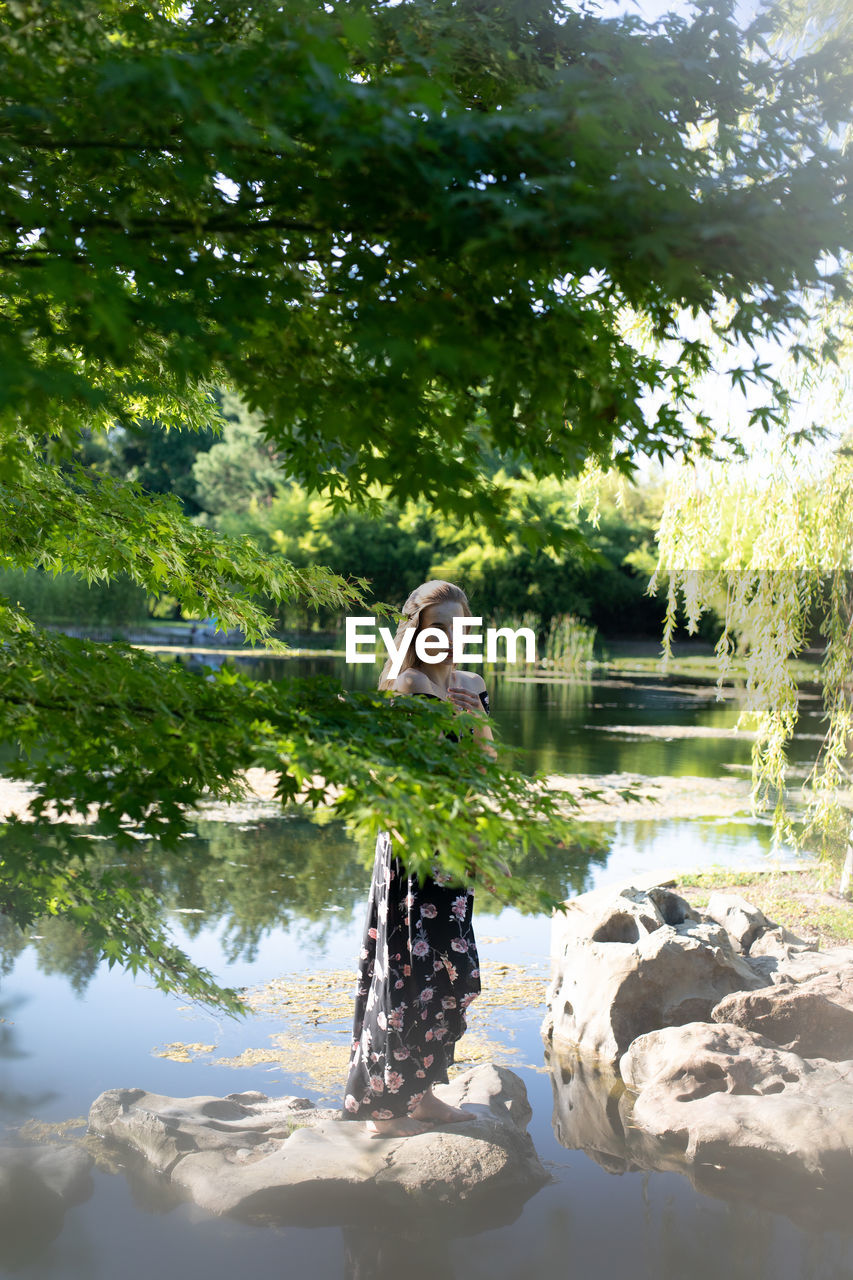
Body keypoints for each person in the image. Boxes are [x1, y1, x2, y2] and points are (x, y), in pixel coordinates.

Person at [341, 580, 497, 1138]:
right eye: (437, 631)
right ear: (418, 634)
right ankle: (387, 1109)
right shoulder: (406, 685)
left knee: (451, 974)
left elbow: (485, 769)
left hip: (456, 842)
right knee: (409, 973)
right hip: (412, 843)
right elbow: (396, 778)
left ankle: (423, 1093)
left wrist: (474, 721)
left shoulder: (473, 684)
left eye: (457, 630)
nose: (448, 642)